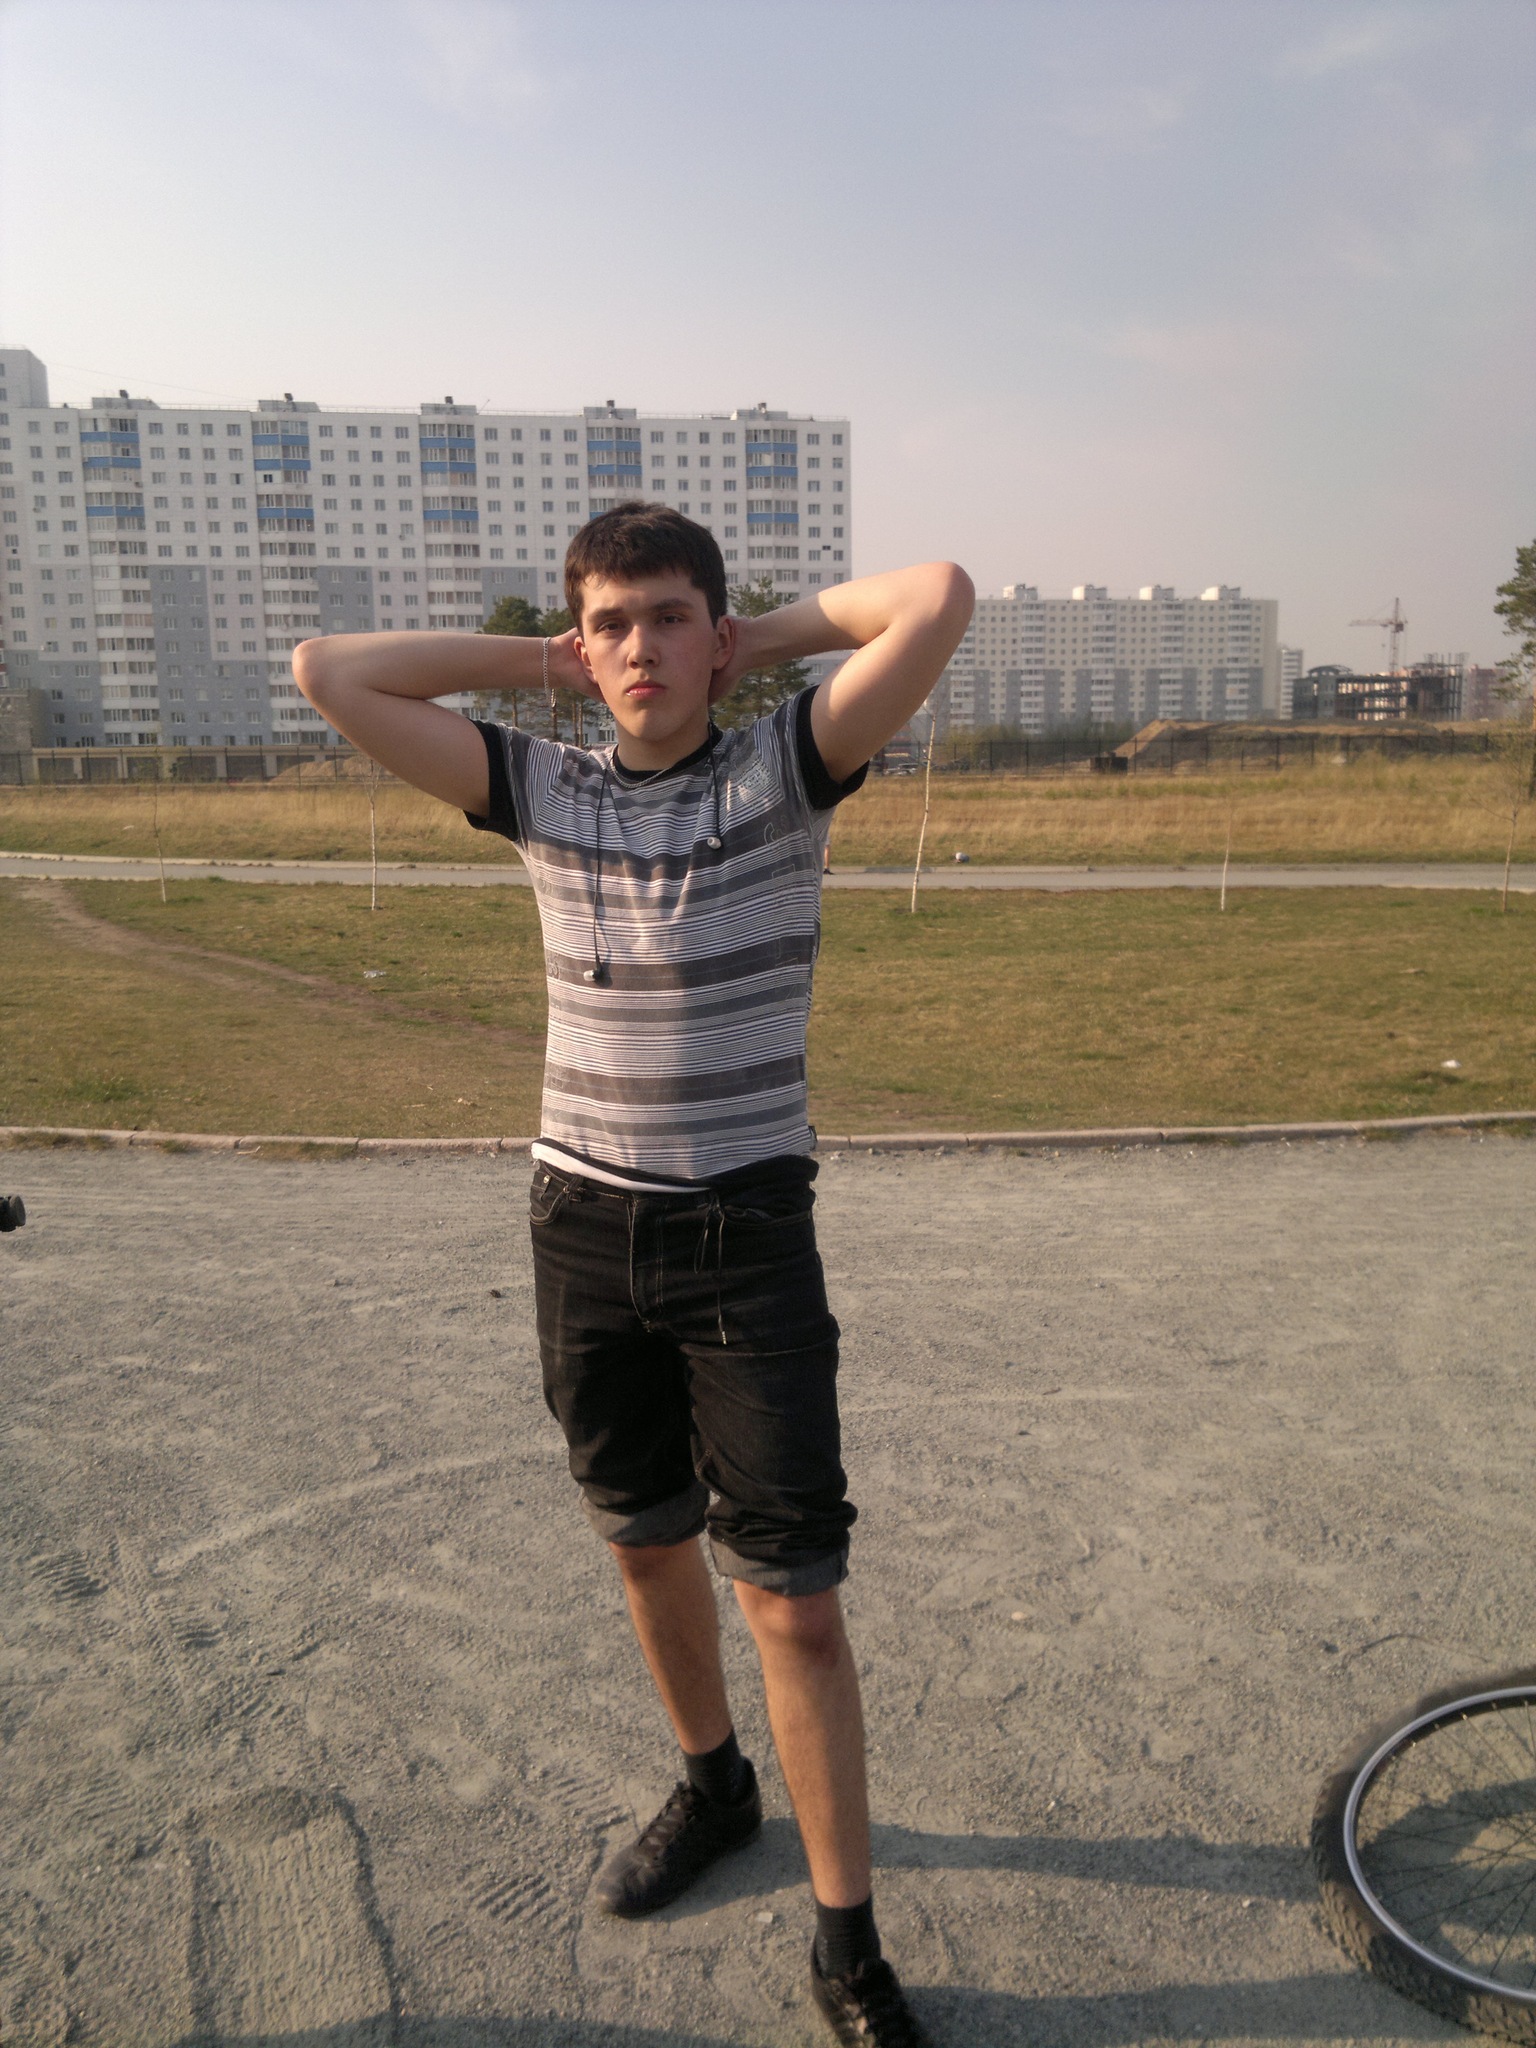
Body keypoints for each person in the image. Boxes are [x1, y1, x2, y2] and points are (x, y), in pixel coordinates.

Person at [295, 503, 972, 2046]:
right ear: (581, 646)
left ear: (714, 639)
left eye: (670, 617)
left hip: (747, 1236)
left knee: (794, 1603)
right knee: (646, 1538)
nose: (639, 647)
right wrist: (549, 662)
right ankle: (714, 1787)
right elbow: (331, 670)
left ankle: (848, 1948)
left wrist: (754, 642)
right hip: (583, 1231)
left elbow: (935, 596)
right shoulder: (546, 788)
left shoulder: (785, 766)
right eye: (612, 623)